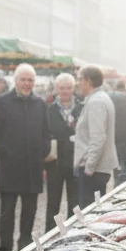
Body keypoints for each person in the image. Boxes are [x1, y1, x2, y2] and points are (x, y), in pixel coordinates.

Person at [0, 64, 50, 251]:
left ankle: (24, 244)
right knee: (7, 211)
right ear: (15, 80)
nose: (27, 83)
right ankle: (5, 246)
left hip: (33, 166)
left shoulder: (40, 104)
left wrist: (42, 151)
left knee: (29, 211)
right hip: (10, 165)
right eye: (23, 79)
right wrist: (4, 152)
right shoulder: (2, 102)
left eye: (30, 80)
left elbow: (46, 132)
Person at [74, 65, 117, 209]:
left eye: (80, 79)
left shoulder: (96, 102)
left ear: (89, 81)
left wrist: (89, 168)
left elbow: (98, 138)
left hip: (94, 169)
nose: (78, 83)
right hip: (96, 168)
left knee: (89, 211)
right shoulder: (98, 98)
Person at [44, 72, 82, 229]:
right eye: (62, 88)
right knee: (53, 202)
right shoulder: (49, 110)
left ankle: (74, 231)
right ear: (56, 89)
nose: (65, 91)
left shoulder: (81, 108)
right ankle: (50, 234)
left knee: (75, 201)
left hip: (76, 161)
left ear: (73, 88)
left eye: (68, 88)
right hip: (55, 162)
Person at [108, 81, 126, 183]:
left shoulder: (110, 98)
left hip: (113, 134)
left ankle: (117, 179)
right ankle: (124, 179)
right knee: (124, 159)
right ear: (124, 88)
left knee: (116, 160)